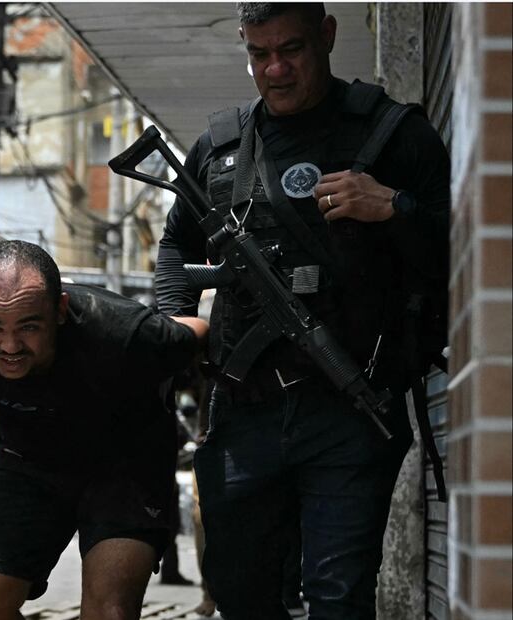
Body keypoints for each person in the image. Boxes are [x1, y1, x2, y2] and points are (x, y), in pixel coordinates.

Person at [153, 3, 449, 618]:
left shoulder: (394, 134)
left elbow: (468, 248)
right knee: (240, 593)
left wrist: (396, 208)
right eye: (260, 55)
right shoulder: (222, 145)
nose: (277, 69)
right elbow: (178, 243)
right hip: (244, 412)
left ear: (329, 36)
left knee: (337, 599)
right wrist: (178, 319)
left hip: (351, 408)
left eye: (293, 50)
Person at [0, 239, 209, 619]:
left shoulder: (124, 332)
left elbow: (196, 330)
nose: (10, 345)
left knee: (109, 613)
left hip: (127, 464)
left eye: (29, 326)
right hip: (28, 460)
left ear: (61, 309)